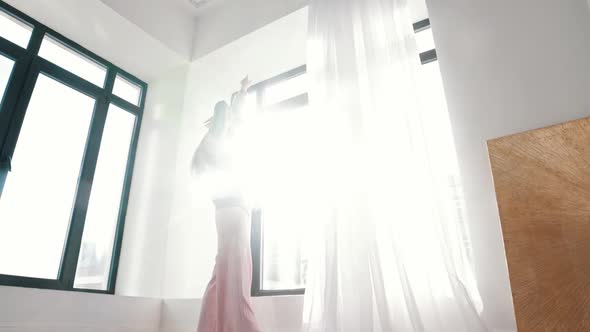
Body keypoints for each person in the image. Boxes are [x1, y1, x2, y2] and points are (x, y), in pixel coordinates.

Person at [191, 77, 262, 332]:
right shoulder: (226, 139)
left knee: (221, 275)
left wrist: (240, 94)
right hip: (235, 213)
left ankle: (208, 327)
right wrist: (241, 95)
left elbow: (231, 114)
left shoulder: (210, 143)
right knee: (237, 280)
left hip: (223, 213)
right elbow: (236, 116)